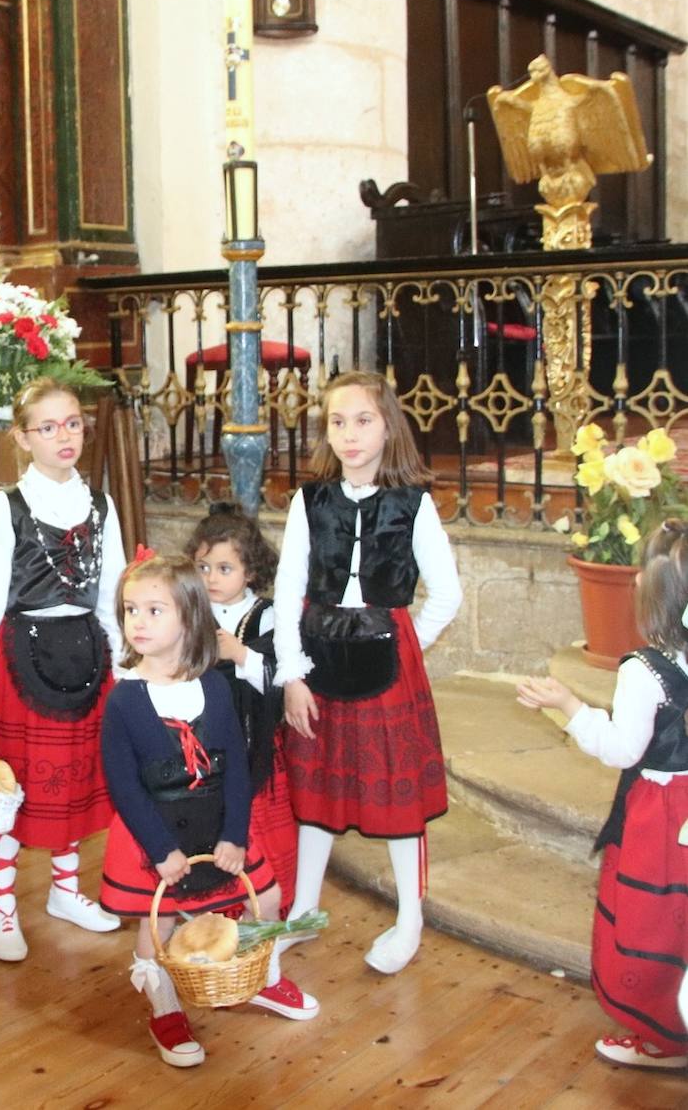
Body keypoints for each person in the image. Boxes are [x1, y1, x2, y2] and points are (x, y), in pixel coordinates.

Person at [273, 370, 462, 976]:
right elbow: (287, 591)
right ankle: (303, 908)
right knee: (316, 787)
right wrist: (292, 673)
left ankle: (410, 915)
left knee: (396, 791)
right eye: (337, 422)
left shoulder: (414, 503)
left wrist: (410, 643)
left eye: (363, 421)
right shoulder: (310, 501)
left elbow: (447, 594)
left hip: (387, 658)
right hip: (318, 656)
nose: (349, 435)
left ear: (387, 427)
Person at [100, 553, 317, 1071]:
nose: (139, 621)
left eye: (155, 610)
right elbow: (124, 786)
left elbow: (237, 768)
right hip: (155, 833)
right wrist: (160, 853)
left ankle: (259, 979)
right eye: (132, 610)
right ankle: (164, 1009)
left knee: (267, 898)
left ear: (191, 619)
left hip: (217, 825)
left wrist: (236, 835)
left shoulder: (216, 686)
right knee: (160, 926)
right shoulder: (124, 700)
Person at [0, 378, 125, 962]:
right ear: (23, 439)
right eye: (48, 427)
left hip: (86, 654)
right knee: (11, 787)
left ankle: (64, 891)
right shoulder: (8, 507)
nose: (64, 436)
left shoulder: (102, 506)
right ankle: (3, 908)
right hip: (19, 660)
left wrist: (126, 667)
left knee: (73, 778)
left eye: (73, 423)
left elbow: (113, 594)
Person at [517, 519, 688, 1072]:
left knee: (654, 917)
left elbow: (621, 749)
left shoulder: (646, 671)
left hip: (663, 817)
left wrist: (567, 704)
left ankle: (665, 1037)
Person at [188, 500, 297, 911]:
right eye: (202, 568)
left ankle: (265, 901)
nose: (211, 578)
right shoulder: (193, 610)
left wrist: (241, 655)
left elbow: (278, 677)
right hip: (203, 737)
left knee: (255, 817)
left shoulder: (265, 616)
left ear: (250, 571)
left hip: (252, 740)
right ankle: (214, 901)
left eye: (224, 568)